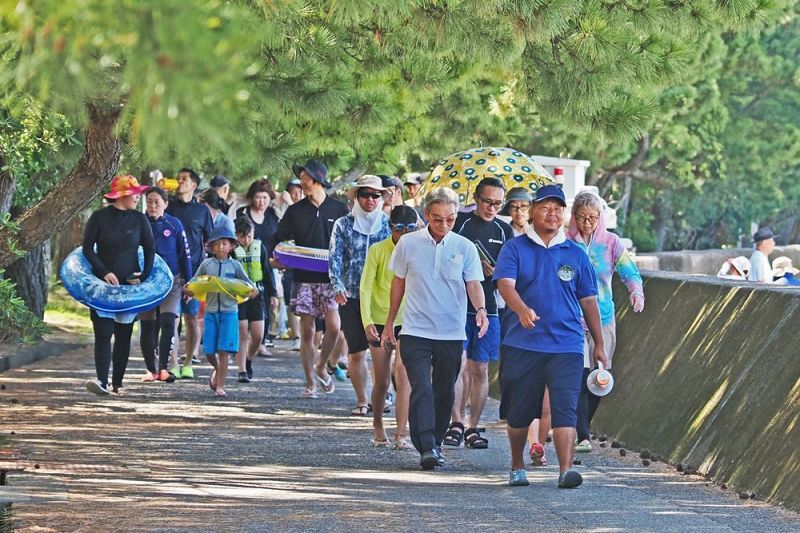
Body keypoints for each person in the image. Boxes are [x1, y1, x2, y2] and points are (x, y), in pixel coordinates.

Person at [494, 184, 607, 488]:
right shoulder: (515, 248)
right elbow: (505, 284)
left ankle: (565, 470)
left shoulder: (576, 254)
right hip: (522, 344)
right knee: (520, 411)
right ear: (532, 211)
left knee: (565, 407)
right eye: (546, 206)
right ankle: (518, 465)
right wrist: (521, 309)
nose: (553, 213)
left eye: (558, 208)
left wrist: (598, 343)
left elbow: (588, 301)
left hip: (567, 345)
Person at [382, 187, 488, 470]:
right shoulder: (408, 243)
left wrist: (480, 310)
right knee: (422, 387)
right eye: (438, 219)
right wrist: (390, 321)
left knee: (444, 391)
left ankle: (436, 441)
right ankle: (426, 444)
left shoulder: (464, 247)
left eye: (450, 219)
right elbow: (398, 283)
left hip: (451, 332)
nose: (444, 225)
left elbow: (474, 284)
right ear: (427, 215)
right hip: (415, 329)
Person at [567, 191, 645, 454]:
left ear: (600, 217)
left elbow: (629, 271)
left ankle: (584, 423)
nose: (587, 223)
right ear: (574, 217)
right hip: (573, 318)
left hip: (603, 317)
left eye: (593, 218)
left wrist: (636, 292)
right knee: (578, 375)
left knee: (600, 378)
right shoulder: (566, 243)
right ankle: (581, 435)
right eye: (582, 218)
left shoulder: (611, 243)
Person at [445, 178, 512, 450]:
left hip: (490, 308)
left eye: (498, 203)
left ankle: (474, 425)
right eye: (487, 202)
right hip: (457, 306)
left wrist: (495, 273)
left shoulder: (504, 230)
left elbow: (511, 271)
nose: (492, 208)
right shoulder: (460, 223)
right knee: (457, 365)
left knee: (480, 368)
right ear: (476, 198)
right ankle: (456, 422)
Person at [274, 159, 349, 398]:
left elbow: (347, 243)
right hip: (304, 278)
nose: (301, 182)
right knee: (306, 332)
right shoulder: (295, 210)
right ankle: (310, 382)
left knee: (334, 327)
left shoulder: (339, 210)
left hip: (332, 280)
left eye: (305, 177)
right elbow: (278, 238)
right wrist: (277, 258)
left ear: (316, 180)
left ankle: (321, 365)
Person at [82, 175, 154, 395]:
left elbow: (150, 249)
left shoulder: (140, 220)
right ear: (122, 195)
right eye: (134, 194)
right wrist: (104, 272)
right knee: (103, 332)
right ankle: (102, 381)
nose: (137, 198)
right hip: (102, 286)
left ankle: (117, 383)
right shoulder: (98, 217)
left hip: (128, 287)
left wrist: (143, 277)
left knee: (123, 334)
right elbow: (87, 249)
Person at [329, 175, 392, 415]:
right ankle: (362, 400)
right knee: (356, 352)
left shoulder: (387, 225)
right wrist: (337, 285)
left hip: (380, 297)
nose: (370, 200)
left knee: (381, 352)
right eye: (365, 194)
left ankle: (383, 395)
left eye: (376, 195)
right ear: (356, 197)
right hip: (351, 296)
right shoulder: (343, 224)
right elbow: (334, 257)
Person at [360, 206, 417, 449]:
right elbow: (366, 287)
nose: (404, 234)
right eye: (399, 229)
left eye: (410, 229)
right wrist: (367, 321)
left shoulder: (418, 250)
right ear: (390, 228)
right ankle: (378, 425)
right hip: (381, 319)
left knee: (403, 376)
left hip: (408, 320)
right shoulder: (378, 250)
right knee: (382, 381)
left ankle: (401, 433)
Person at [184, 226, 258, 397]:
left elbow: (248, 286)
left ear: (231, 245)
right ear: (211, 247)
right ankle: (218, 369)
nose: (220, 247)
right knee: (209, 351)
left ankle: (220, 387)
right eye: (216, 244)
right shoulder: (206, 264)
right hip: (210, 311)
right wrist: (188, 290)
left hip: (230, 312)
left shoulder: (235, 265)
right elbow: (194, 282)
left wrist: (253, 292)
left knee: (224, 350)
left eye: (224, 243)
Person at [139, 187, 193, 383]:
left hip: (172, 281)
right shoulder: (139, 222)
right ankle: (150, 370)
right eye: (149, 201)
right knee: (147, 324)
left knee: (169, 322)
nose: (153, 206)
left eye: (157, 202)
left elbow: (184, 254)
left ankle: (163, 368)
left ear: (165, 204)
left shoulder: (175, 224)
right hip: (146, 282)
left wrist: (189, 281)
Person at [166, 167, 214, 379]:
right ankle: (174, 361)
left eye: (184, 179)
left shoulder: (202, 211)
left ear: (194, 185)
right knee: (172, 319)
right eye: (178, 178)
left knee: (192, 317)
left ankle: (188, 361)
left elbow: (209, 241)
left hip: (194, 272)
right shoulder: (168, 206)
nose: (180, 182)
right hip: (171, 271)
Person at [236, 178, 281, 353]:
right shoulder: (243, 213)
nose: (261, 202)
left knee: (267, 301)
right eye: (257, 197)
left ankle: (261, 341)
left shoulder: (272, 216)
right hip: (244, 263)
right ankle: (242, 342)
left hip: (268, 262)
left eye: (264, 197)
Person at [232, 217, 278, 383]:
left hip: (258, 295)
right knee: (242, 331)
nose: (246, 240)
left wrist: (273, 294)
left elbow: (267, 271)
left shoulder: (260, 249)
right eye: (242, 236)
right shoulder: (232, 250)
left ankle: (248, 358)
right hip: (239, 296)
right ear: (236, 235)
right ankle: (242, 370)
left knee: (258, 335)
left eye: (249, 236)